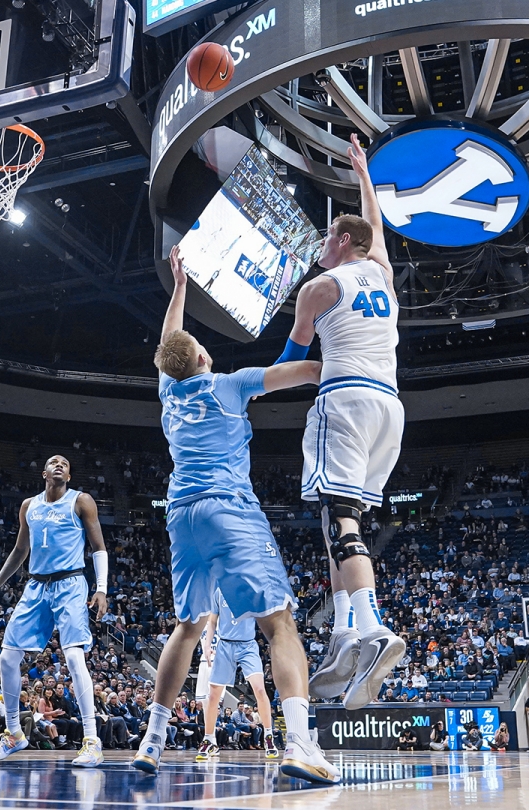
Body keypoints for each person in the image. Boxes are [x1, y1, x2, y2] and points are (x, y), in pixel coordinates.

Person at [130, 246, 337, 784]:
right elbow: (302, 370)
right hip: (229, 510)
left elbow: (167, 343)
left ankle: (152, 741)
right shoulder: (232, 384)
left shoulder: (168, 392)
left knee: (188, 626)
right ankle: (300, 742)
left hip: (182, 516)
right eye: (200, 344)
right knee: (280, 622)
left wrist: (178, 287)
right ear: (201, 358)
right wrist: (337, 362)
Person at [277, 135, 405, 711]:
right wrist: (364, 180)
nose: (321, 243)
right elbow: (375, 233)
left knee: (339, 517)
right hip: (390, 408)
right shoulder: (380, 274)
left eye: (329, 235)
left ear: (343, 240)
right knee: (339, 519)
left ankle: (371, 624)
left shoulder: (318, 288)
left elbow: (289, 362)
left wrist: (239, 387)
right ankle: (345, 634)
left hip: (346, 398)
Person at [0, 455, 109, 768]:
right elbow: (20, 551)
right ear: (44, 473)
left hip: (71, 583)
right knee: (7, 657)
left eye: (65, 462)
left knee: (75, 656)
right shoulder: (29, 506)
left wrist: (101, 587)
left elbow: (99, 546)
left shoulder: (82, 501)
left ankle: (91, 741)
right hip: (36, 586)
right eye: (54, 462)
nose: (60, 464)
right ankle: (13, 734)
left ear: (69, 473)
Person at [195, 590, 278, 761]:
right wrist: (207, 646)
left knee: (260, 690)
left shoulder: (250, 589)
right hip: (225, 646)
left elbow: (266, 618)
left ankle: (268, 736)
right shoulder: (218, 591)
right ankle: (209, 739)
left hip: (247, 645)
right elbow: (212, 622)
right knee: (213, 696)